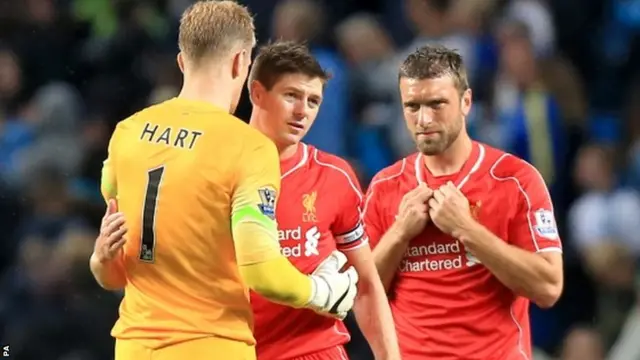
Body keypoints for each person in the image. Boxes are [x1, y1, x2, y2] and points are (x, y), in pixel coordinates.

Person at [89, 2, 359, 360]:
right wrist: (321, 292)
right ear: (240, 63)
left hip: (134, 346)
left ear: (182, 62)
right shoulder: (247, 148)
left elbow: (115, 262)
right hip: (211, 345)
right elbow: (261, 270)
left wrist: (99, 261)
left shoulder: (128, 132)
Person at [364, 45, 564, 359]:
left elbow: (549, 287)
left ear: (466, 102)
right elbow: (359, 296)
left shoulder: (515, 180)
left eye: (437, 104)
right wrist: (399, 234)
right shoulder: (385, 186)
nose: (424, 119)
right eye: (412, 106)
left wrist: (467, 229)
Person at [247, 42, 400, 360]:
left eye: (313, 101)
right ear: (258, 93)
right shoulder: (216, 171)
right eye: (291, 96)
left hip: (316, 350)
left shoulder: (335, 176)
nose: (303, 111)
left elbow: (368, 284)